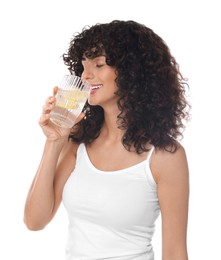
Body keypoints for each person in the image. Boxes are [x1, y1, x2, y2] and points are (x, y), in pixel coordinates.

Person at [24, 20, 190, 260]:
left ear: (132, 71)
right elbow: (34, 221)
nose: (86, 75)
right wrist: (54, 142)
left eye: (99, 64)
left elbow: (175, 253)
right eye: (83, 65)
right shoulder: (78, 143)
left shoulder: (165, 156)